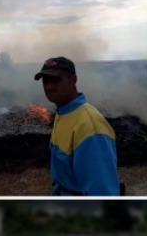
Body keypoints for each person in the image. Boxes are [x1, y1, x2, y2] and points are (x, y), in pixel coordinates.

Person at [34, 56, 121, 196]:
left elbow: (102, 193)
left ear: (73, 80)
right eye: (46, 81)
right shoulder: (64, 113)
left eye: (56, 80)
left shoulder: (90, 127)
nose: (49, 86)